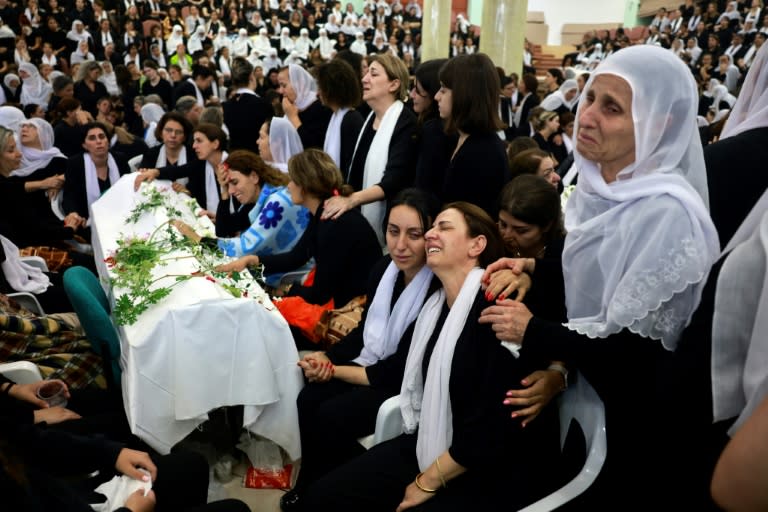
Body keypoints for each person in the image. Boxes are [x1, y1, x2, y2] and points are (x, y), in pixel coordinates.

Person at [478, 45, 721, 507]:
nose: (586, 116)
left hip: (637, 426)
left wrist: (535, 331)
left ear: (659, 124)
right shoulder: (608, 188)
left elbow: (633, 355)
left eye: (612, 108)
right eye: (590, 98)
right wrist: (535, 269)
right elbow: (597, 276)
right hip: (589, 393)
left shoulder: (667, 215)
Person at [299, 202, 559, 511]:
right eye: (432, 227)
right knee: (321, 497)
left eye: (444, 227)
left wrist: (428, 480)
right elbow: (393, 370)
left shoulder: (498, 307)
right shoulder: (435, 307)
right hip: (434, 441)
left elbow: (497, 423)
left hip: (492, 466)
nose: (432, 235)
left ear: (477, 244)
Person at [280, 188, 441, 511]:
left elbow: (397, 369)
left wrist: (333, 370)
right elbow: (363, 333)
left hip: (399, 382)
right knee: (307, 397)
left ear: (430, 236)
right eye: (393, 232)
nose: (400, 245)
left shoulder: (436, 287)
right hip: (371, 364)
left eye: (414, 235)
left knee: (331, 413)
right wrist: (328, 357)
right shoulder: (384, 269)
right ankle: (310, 482)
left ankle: (329, 490)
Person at [216, 149, 381, 334]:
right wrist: (252, 261)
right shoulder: (322, 214)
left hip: (355, 316)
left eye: (293, 180)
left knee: (261, 324)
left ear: (305, 185)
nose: (288, 186)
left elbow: (319, 294)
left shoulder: (333, 223)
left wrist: (280, 291)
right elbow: (297, 256)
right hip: (345, 302)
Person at [172, 149, 308, 287]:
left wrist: (199, 239)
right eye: (227, 185)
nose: (231, 191)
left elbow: (244, 248)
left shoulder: (277, 202)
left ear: (254, 177)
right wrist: (223, 191)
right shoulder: (263, 196)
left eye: (235, 182)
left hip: (294, 280)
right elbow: (224, 229)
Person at [321, 53, 416, 246]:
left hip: (388, 224)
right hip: (358, 219)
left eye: (373, 74)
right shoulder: (369, 119)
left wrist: (352, 200)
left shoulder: (405, 121)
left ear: (394, 84)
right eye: (365, 73)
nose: (364, 79)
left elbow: (393, 180)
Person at [434, 53, 509, 218]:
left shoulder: (482, 152)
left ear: (464, 95)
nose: (437, 96)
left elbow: (471, 220)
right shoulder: (464, 138)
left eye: (443, 90)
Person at [135, 122, 227, 217]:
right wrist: (155, 172)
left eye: (199, 141)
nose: (194, 146)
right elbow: (179, 170)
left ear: (215, 144)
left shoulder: (233, 165)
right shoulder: (202, 164)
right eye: (194, 141)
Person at [62, 122, 130, 225]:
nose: (98, 141)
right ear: (84, 145)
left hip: (121, 217)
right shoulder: (75, 164)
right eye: (92, 138)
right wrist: (73, 213)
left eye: (102, 137)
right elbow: (69, 195)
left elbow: (129, 188)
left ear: (108, 141)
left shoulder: (120, 159)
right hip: (88, 221)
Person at [411, 58, 454, 198]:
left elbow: (424, 187)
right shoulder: (443, 126)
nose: (412, 94)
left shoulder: (434, 130)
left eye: (418, 90)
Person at [315, 58, 364, 172]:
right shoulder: (334, 116)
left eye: (321, 87)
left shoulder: (352, 121)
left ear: (332, 89)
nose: (318, 93)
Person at [222, 57, 272, 154]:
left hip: (234, 160)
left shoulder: (224, 106)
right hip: (258, 160)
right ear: (251, 77)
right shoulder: (263, 104)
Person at [278, 63, 332, 150]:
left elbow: (313, 147)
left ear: (299, 83)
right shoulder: (293, 105)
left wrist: (293, 118)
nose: (280, 91)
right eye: (279, 86)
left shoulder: (321, 107)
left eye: (284, 85)